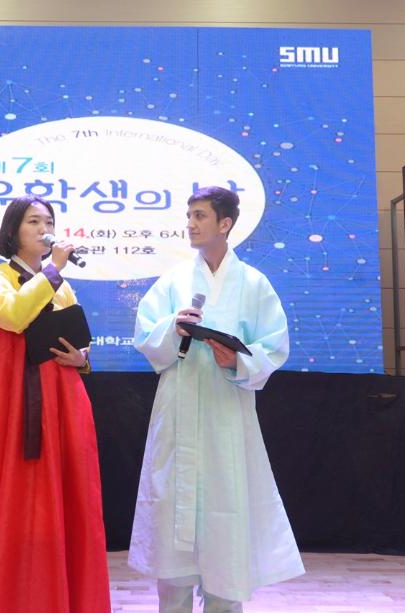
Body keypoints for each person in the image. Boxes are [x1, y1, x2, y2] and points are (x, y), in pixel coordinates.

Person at [130, 186, 304, 612]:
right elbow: (146, 336)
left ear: (225, 224)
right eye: (189, 215)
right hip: (178, 406)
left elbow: (273, 346)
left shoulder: (254, 284)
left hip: (227, 410)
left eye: (200, 215)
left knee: (227, 517)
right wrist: (173, 327)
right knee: (172, 516)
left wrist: (237, 360)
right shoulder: (173, 281)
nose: (190, 224)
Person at [0, 195, 111, 613]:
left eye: (49, 222)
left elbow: (76, 335)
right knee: (8, 486)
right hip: (8, 394)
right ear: (13, 230)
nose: (44, 229)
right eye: (34, 221)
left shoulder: (62, 284)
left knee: (66, 490)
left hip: (61, 394)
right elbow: (14, 316)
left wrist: (82, 358)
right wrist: (53, 271)